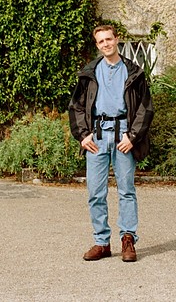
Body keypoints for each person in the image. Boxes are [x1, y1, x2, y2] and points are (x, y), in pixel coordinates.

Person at [68, 25, 153, 262]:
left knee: (126, 191)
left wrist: (132, 137)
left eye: (109, 39)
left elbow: (145, 108)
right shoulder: (89, 73)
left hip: (123, 136)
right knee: (95, 192)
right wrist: (83, 135)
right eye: (100, 41)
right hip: (96, 137)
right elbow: (76, 106)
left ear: (117, 40)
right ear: (97, 45)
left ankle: (128, 240)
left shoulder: (134, 72)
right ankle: (101, 242)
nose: (105, 44)